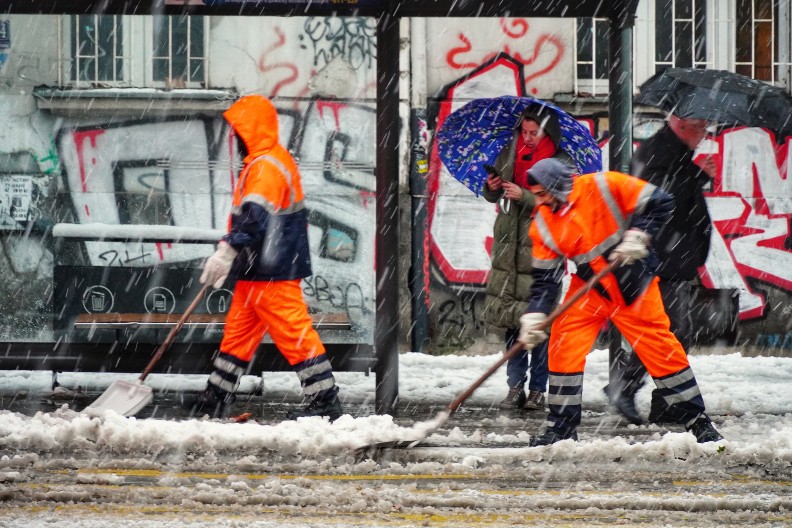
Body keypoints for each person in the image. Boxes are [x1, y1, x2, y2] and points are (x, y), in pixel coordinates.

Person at [518, 158, 723, 446]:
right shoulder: (543, 222)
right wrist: (535, 315)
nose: (538, 201)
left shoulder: (604, 185)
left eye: (542, 194)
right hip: (590, 289)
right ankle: (561, 429)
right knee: (563, 344)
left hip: (633, 284)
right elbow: (545, 280)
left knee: (662, 351)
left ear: (557, 186)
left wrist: (638, 235)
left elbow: (661, 201)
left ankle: (698, 422)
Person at [187, 94, 343, 421]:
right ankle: (215, 397)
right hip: (259, 269)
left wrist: (226, 251)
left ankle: (325, 402)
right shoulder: (266, 162)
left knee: (295, 335)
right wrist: (232, 255)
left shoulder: (266, 167)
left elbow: (255, 218)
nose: (235, 139)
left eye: (239, 132)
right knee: (238, 336)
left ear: (251, 131)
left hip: (273, 270)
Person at [604, 113, 716, 425]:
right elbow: (661, 201)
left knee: (671, 332)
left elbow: (674, 191)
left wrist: (697, 174)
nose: (704, 134)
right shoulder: (659, 152)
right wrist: (696, 175)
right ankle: (630, 388)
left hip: (670, 257)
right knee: (671, 332)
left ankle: (662, 402)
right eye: (701, 127)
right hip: (662, 258)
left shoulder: (671, 151)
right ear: (682, 126)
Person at [481, 107, 573, 412]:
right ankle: (515, 387)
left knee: (539, 326)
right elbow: (493, 196)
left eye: (535, 133)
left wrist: (527, 197)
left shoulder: (561, 163)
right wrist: (492, 188)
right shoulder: (509, 153)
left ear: (548, 133)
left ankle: (537, 389)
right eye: (525, 132)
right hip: (508, 251)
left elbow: (563, 204)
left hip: (542, 251)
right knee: (512, 323)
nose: (529, 138)